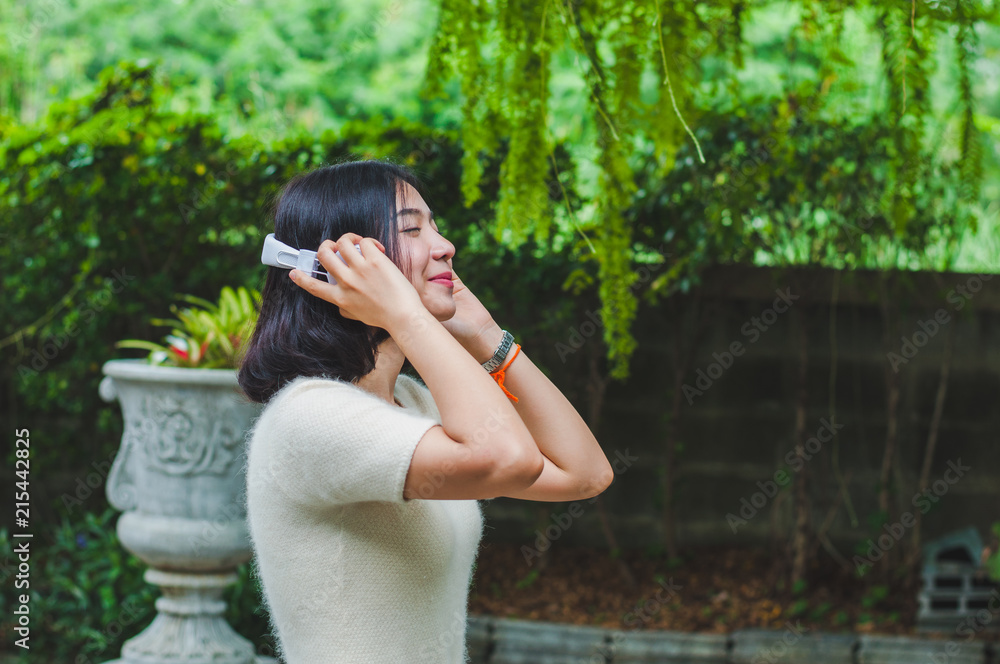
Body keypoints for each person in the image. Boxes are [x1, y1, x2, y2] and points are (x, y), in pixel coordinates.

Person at [237, 159, 613, 663]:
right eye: (412, 229)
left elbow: (583, 474)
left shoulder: (412, 404)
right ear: (337, 264)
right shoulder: (310, 418)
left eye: (435, 225)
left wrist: (488, 339)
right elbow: (509, 458)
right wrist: (408, 315)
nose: (445, 246)